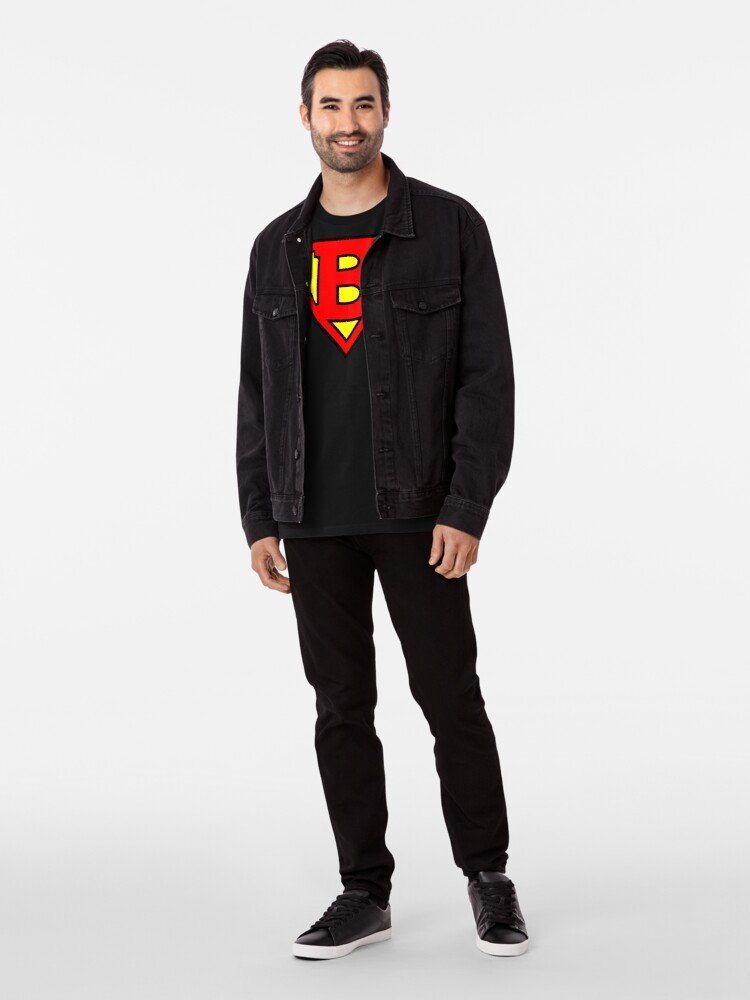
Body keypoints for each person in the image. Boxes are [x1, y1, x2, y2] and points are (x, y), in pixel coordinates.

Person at [236, 38, 528, 960]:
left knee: (451, 698)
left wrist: (466, 505)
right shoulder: (276, 247)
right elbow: (256, 392)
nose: (347, 123)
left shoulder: (448, 227)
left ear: (386, 113)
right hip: (311, 516)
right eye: (330, 106)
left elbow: (488, 379)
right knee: (340, 709)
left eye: (363, 104)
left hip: (419, 513)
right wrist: (259, 514)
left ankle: (488, 876)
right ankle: (364, 890)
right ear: (305, 117)